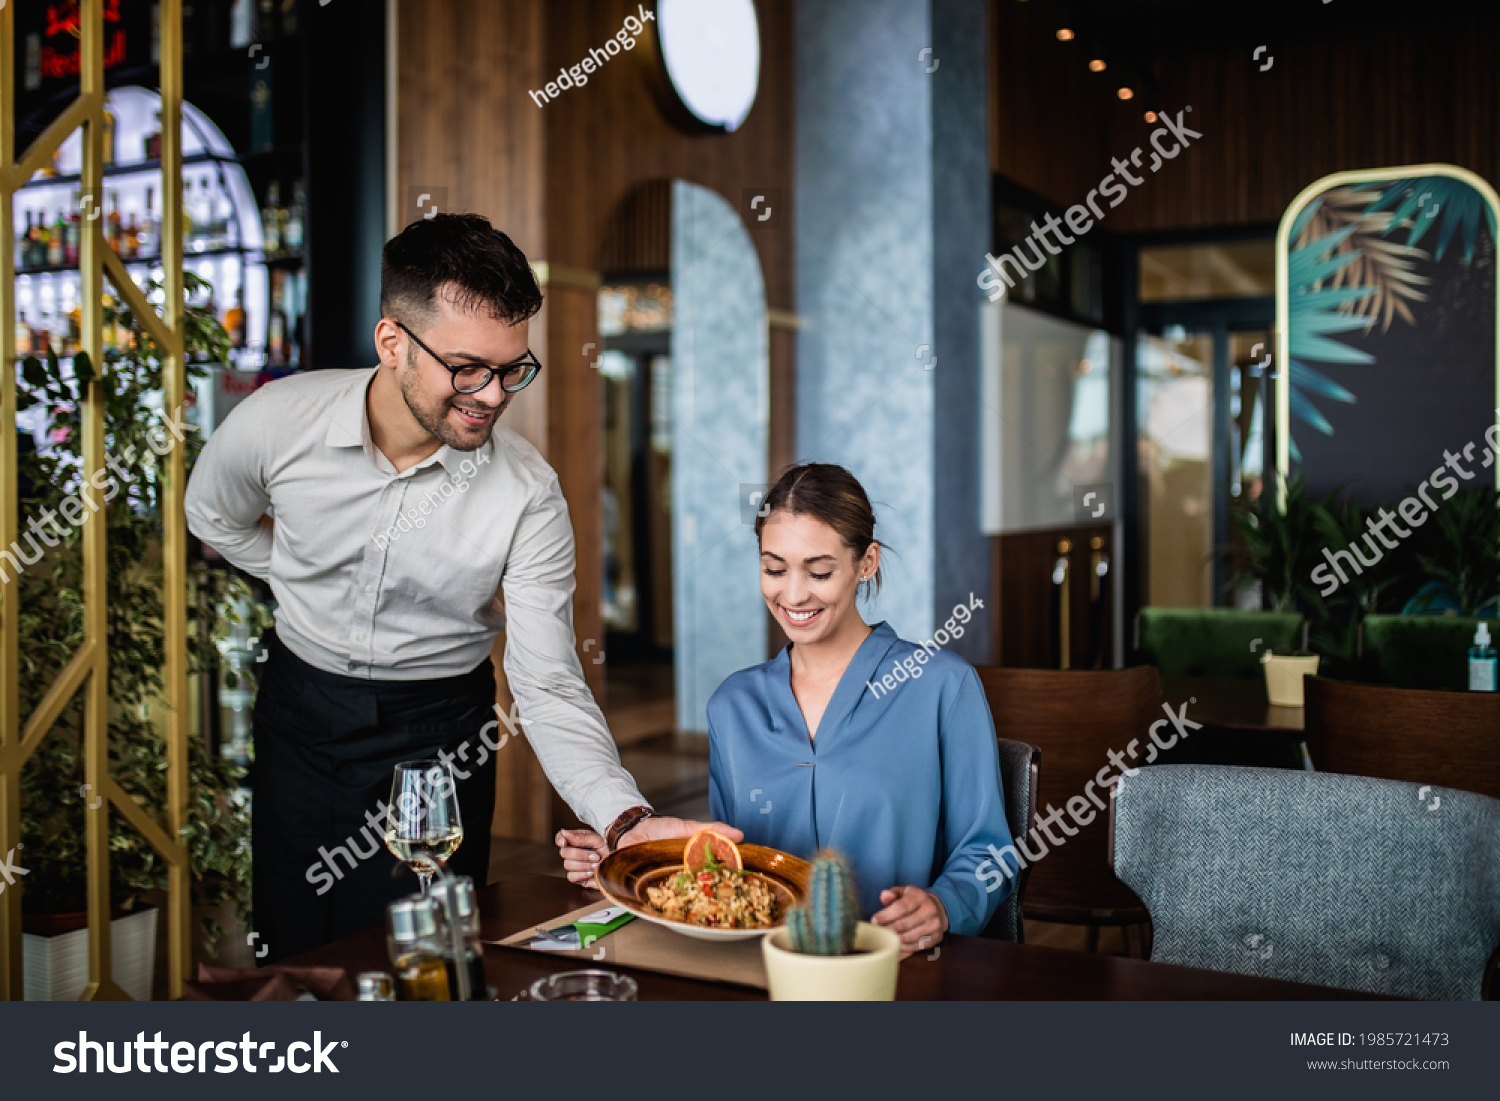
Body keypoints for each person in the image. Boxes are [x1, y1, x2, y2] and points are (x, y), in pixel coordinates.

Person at [186, 213, 738, 961]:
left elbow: (546, 681)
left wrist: (623, 820)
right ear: (392, 343)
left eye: (514, 369)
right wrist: (301, 580)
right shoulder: (277, 423)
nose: (493, 393)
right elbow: (212, 514)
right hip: (301, 718)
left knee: (428, 964)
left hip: (438, 737)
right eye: (468, 367)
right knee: (297, 952)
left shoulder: (528, 494)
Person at [559, 463, 1017, 955]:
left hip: (900, 970)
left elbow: (989, 853)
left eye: (819, 571)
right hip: (768, 970)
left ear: (867, 563)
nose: (793, 594)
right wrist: (633, 861)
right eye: (774, 569)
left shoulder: (941, 686)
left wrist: (944, 906)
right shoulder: (733, 706)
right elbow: (738, 864)